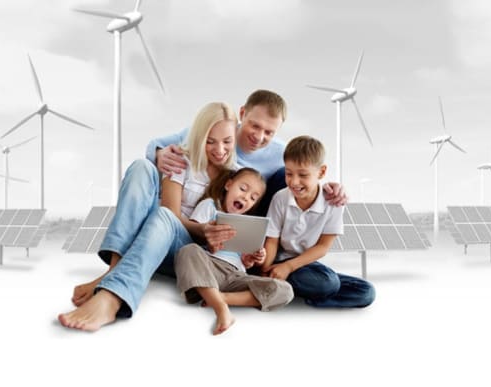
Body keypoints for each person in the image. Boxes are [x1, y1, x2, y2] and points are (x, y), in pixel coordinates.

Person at [58, 101, 239, 331]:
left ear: (235, 138)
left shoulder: (237, 177)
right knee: (142, 167)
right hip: (155, 238)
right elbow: (172, 212)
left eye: (227, 142)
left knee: (164, 217)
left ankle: (112, 296)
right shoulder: (183, 160)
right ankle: (114, 272)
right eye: (210, 141)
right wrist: (201, 228)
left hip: (186, 254)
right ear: (198, 137)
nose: (220, 150)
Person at [147, 89, 348, 217]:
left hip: (249, 213)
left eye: (269, 132)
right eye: (255, 126)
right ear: (243, 114)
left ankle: (265, 248)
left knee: (281, 175)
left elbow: (306, 175)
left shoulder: (282, 152)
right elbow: (156, 144)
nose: (259, 137)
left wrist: (329, 189)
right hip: (203, 207)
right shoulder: (215, 129)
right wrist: (159, 154)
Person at [174, 168, 294, 335]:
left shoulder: (248, 223)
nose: (246, 197)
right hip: (210, 267)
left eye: (253, 198)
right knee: (188, 250)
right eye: (243, 189)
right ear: (229, 185)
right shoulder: (210, 205)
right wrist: (209, 242)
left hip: (236, 275)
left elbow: (246, 261)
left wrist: (254, 258)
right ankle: (220, 307)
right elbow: (192, 235)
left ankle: (220, 297)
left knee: (285, 290)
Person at [261, 135, 375, 308]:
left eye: (303, 175)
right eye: (289, 173)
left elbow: (323, 247)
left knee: (366, 292)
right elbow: (271, 241)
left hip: (305, 263)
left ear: (321, 172)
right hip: (280, 261)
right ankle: (301, 287)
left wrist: (289, 268)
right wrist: (264, 272)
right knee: (328, 283)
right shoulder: (280, 198)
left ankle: (306, 294)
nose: (294, 182)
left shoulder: (333, 203)